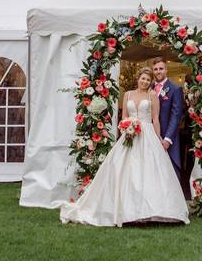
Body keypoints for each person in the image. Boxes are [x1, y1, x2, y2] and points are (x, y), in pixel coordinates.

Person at [60, 68, 189, 227]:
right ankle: (126, 210)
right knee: (124, 170)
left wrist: (159, 139)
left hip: (147, 134)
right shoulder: (127, 95)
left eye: (148, 80)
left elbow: (155, 119)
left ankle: (153, 210)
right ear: (138, 79)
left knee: (148, 172)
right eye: (143, 79)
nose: (145, 82)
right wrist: (125, 130)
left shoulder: (152, 95)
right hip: (129, 136)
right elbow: (123, 118)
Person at [151, 57, 185, 190]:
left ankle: (175, 202)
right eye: (155, 69)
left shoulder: (175, 89)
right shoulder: (149, 88)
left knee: (170, 168)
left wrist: (167, 138)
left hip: (167, 137)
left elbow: (176, 116)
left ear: (166, 69)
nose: (158, 71)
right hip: (151, 135)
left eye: (161, 68)